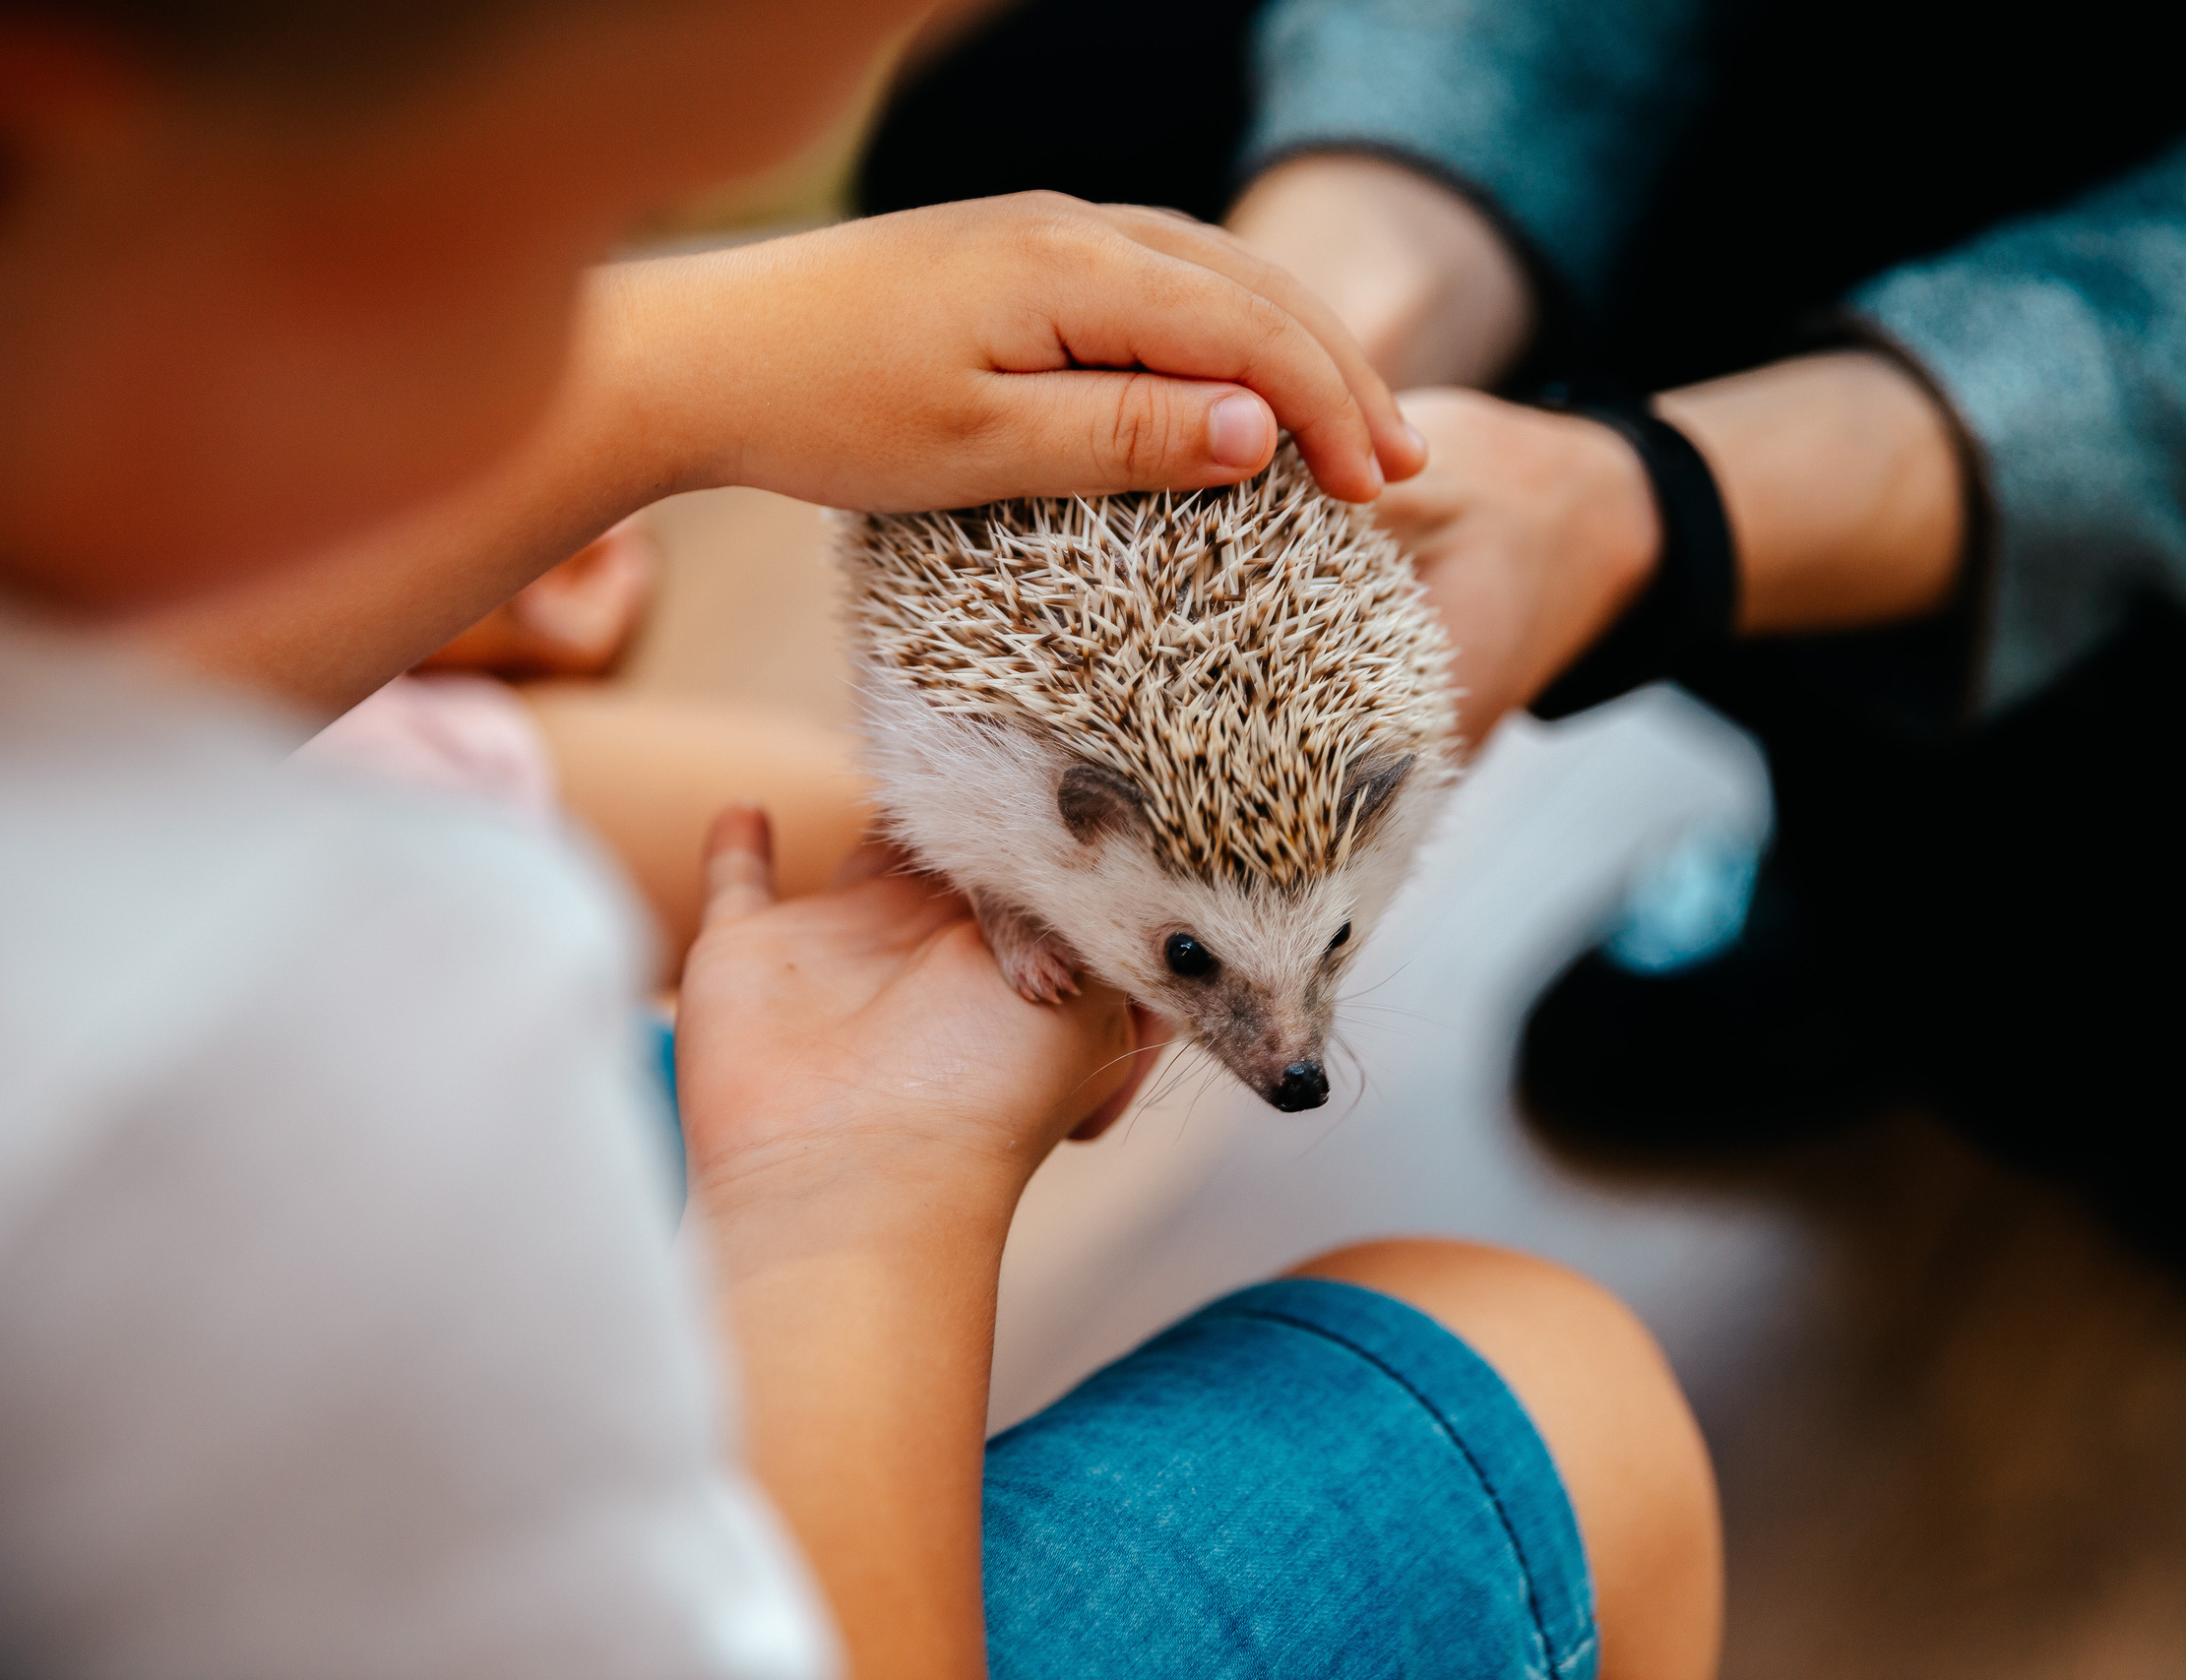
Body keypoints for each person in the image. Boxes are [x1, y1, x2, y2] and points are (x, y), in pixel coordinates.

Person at [0, 4, 1722, 1677]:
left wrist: (670, 386)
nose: (1283, 1061)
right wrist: (852, 1195)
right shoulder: (272, 1041)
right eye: (598, 218)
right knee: (1561, 1389)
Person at [868, 0, 2186, 1294]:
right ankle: (1884, 829)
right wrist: (1317, 326)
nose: (1291, 1061)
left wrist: (1662, 510)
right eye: (1198, 965)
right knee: (1020, 150)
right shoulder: (1054, 787)